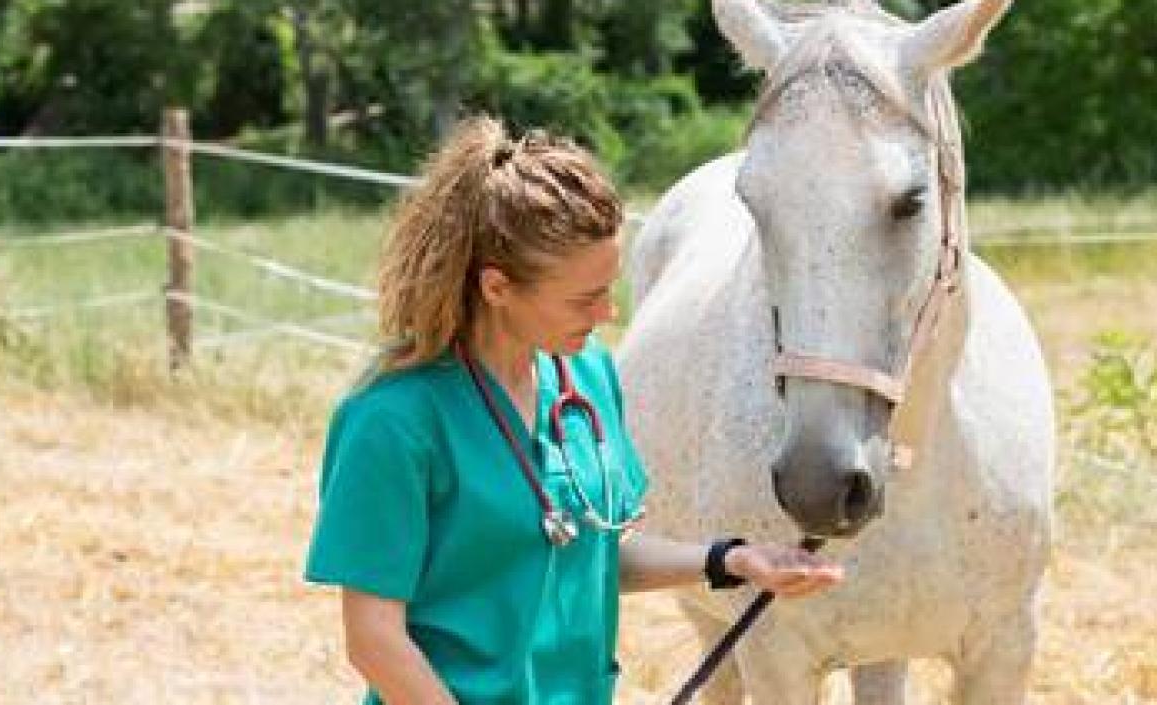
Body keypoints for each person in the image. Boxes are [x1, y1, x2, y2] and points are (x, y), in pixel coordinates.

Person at [303, 116, 843, 705]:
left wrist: (732, 560)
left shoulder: (586, 378)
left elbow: (592, 553)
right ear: (497, 288)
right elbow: (373, 639)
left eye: (610, 290)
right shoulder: (392, 421)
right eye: (585, 298)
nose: (608, 314)